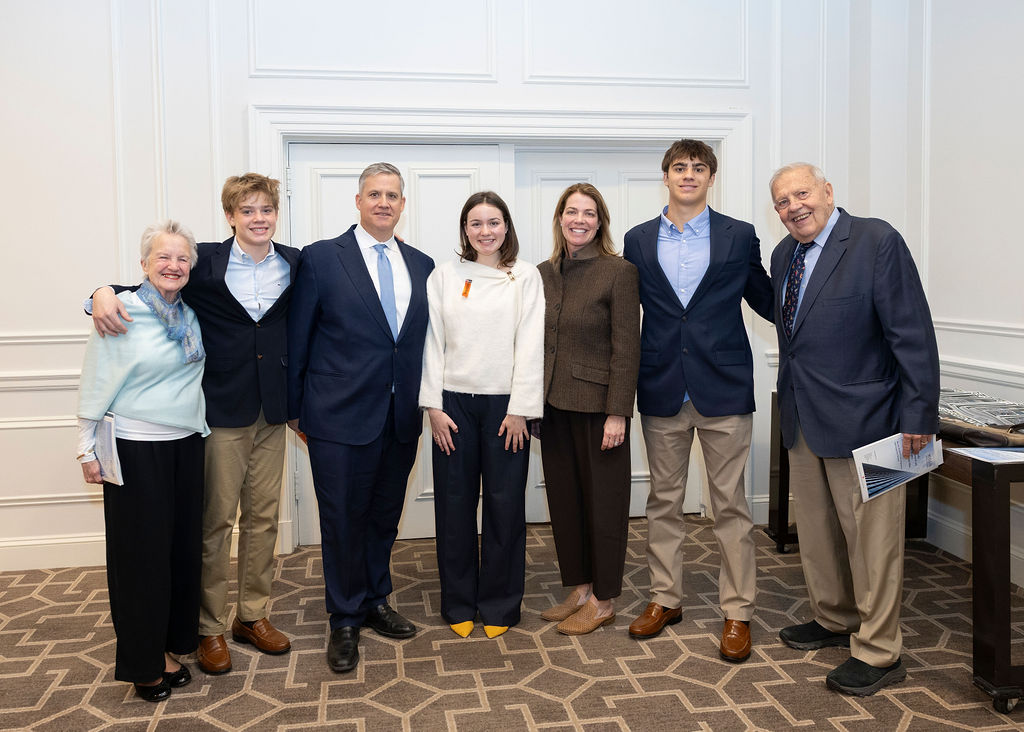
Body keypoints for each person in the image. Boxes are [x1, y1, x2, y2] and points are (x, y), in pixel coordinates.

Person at [88, 174, 299, 675]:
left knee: (264, 519)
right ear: (230, 216)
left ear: (276, 214)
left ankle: (252, 615)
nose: (258, 218)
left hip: (273, 411)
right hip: (220, 411)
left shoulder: (296, 262)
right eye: (247, 210)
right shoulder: (203, 261)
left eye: (266, 209)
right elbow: (151, 283)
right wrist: (99, 292)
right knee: (216, 522)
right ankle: (209, 627)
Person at [768, 163, 939, 696]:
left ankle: (880, 650)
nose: (793, 207)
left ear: (827, 191)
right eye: (781, 201)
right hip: (803, 417)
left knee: (873, 543)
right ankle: (834, 617)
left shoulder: (876, 240)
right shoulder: (783, 254)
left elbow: (912, 332)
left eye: (801, 193)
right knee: (818, 532)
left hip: (872, 421)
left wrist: (919, 414)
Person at [622, 139, 773, 662]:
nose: (689, 174)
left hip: (724, 387)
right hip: (661, 385)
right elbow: (625, 311)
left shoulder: (739, 235)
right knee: (663, 502)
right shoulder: (638, 240)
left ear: (711, 177)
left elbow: (766, 298)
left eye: (699, 167)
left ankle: (738, 610)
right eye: (680, 167)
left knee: (730, 505)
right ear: (665, 176)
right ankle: (666, 598)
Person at [287, 162, 434, 673]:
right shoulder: (321, 258)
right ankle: (344, 617)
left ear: (403, 204)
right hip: (336, 416)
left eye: (392, 195)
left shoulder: (422, 264)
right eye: (374, 194)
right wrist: (296, 411)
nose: (383, 203)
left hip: (400, 416)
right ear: (358, 200)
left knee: (383, 515)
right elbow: (299, 336)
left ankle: (374, 598)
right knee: (343, 519)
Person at [77, 220, 208, 702]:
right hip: (135, 448)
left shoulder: (190, 315)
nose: (173, 265)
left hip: (186, 444)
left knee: (178, 555)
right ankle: (142, 665)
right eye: (163, 257)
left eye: (182, 258)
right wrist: (86, 448)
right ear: (144, 265)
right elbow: (96, 378)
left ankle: (166, 650)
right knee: (139, 561)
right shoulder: (122, 309)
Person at [419, 191, 544, 639]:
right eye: (476, 223)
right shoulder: (444, 275)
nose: (485, 231)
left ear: (506, 227)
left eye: (493, 222)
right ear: (465, 229)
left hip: (506, 408)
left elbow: (531, 343)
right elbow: (432, 342)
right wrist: (433, 406)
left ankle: (500, 604)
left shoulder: (525, 276)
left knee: (504, 507)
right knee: (453, 507)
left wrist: (521, 409)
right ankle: (457, 603)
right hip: (452, 406)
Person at [536, 184, 640, 635]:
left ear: (600, 223)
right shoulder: (543, 272)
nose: (579, 220)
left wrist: (618, 412)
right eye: (572, 211)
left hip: (600, 410)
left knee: (605, 505)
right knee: (566, 503)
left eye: (589, 213)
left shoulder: (619, 271)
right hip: (553, 406)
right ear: (560, 218)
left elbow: (627, 347)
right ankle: (580, 589)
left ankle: (603, 599)